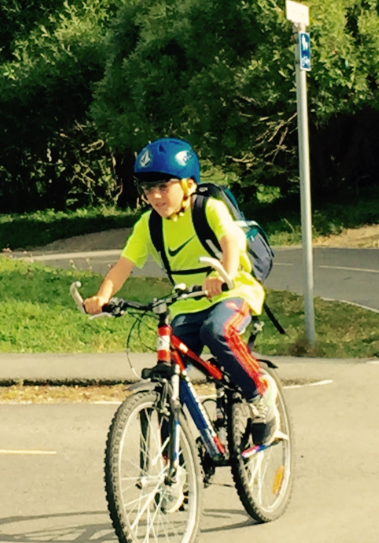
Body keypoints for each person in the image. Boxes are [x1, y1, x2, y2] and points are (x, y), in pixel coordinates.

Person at [83, 137, 278, 445]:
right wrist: (102, 296)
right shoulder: (149, 224)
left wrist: (221, 273)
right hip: (187, 304)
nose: (155, 196)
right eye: (148, 189)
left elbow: (231, 241)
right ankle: (174, 471)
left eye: (164, 186)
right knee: (169, 376)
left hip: (232, 292)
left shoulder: (208, 209)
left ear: (188, 184)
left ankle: (260, 394)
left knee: (218, 331)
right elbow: (124, 264)